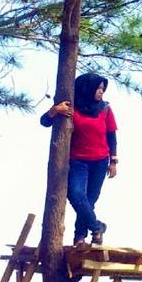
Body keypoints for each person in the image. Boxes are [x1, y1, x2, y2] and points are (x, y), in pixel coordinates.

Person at [40, 72, 118, 246]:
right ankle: (97, 227)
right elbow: (44, 121)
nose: (101, 92)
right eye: (98, 88)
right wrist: (55, 110)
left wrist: (113, 161)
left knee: (89, 201)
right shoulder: (71, 107)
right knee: (76, 195)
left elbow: (111, 135)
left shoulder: (105, 109)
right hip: (78, 162)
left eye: (103, 89)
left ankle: (79, 238)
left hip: (100, 162)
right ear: (87, 89)